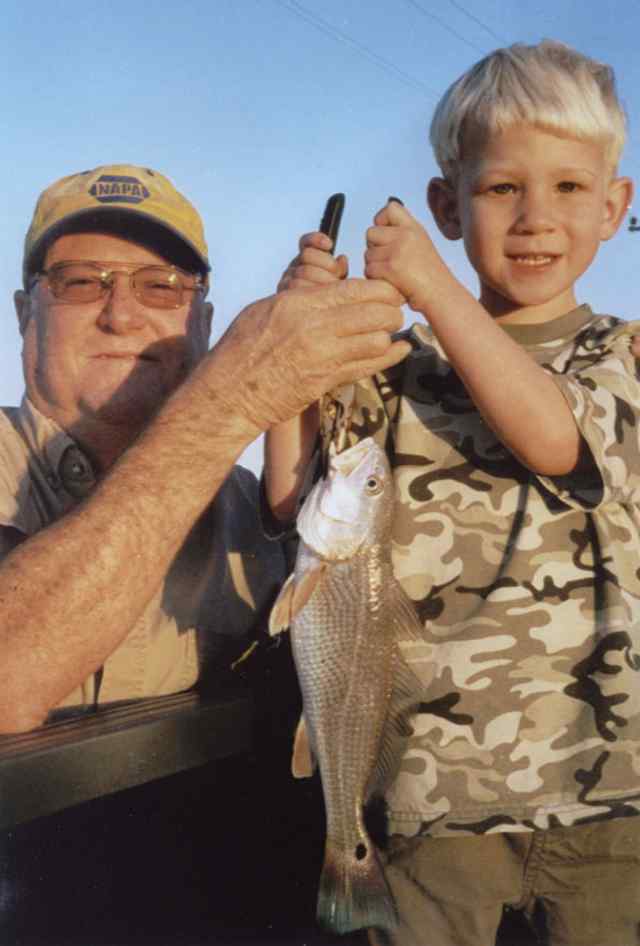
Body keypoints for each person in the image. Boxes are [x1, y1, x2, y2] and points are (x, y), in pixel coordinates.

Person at [265, 41, 640, 946]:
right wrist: (294, 344)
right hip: (427, 792)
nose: (534, 219)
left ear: (616, 206)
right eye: (502, 188)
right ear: (447, 202)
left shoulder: (623, 354)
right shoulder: (398, 373)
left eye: (568, 189)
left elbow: (556, 439)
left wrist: (430, 285)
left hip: (610, 795)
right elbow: (292, 505)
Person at [0, 163, 409, 734]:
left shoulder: (264, 514)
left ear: (206, 324)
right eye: (81, 282)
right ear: (24, 315)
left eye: (161, 286)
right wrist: (227, 403)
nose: (120, 315)